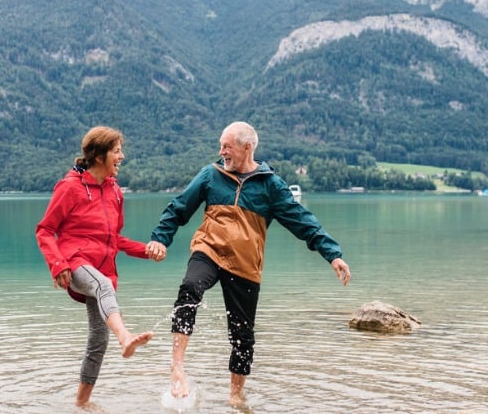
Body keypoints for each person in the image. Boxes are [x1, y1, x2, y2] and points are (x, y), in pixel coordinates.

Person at [150, 121, 351, 407]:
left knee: (243, 334)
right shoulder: (211, 174)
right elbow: (178, 207)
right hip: (208, 250)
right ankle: (177, 366)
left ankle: (235, 396)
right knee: (189, 288)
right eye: (221, 146)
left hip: (245, 265)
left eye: (227, 146)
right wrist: (160, 238)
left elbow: (302, 220)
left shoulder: (270, 185)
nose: (222, 152)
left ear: (247, 147)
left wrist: (333, 254)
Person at [35, 126, 168, 407]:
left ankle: (81, 405)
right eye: (117, 151)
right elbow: (45, 230)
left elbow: (114, 239)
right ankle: (126, 337)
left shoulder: (115, 192)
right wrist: (57, 265)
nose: (122, 156)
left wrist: (147, 251)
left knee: (98, 340)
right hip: (74, 264)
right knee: (103, 286)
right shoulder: (70, 187)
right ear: (99, 156)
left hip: (103, 268)